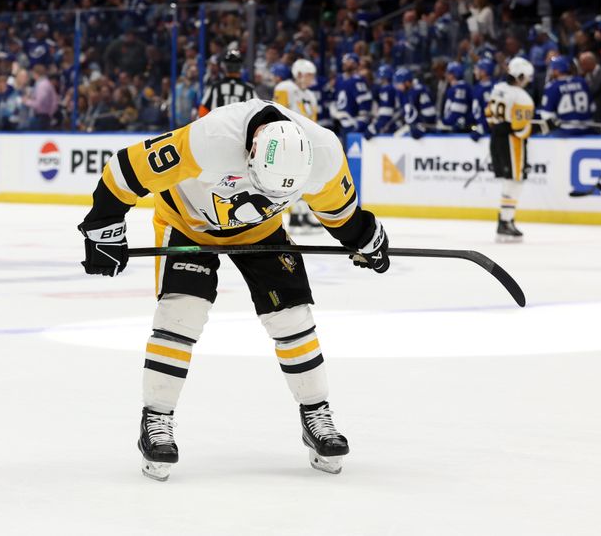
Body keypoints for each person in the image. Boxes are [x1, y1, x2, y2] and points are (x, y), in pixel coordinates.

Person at [77, 99, 390, 481]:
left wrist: (366, 238)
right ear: (251, 151)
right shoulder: (210, 138)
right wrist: (103, 225)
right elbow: (127, 168)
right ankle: (156, 419)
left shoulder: (324, 153)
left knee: (292, 317)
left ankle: (316, 415)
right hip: (187, 222)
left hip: (262, 231)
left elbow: (341, 216)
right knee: (181, 313)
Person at [485, 57, 546, 242]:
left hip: (496, 138)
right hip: (512, 144)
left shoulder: (497, 89)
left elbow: (488, 114)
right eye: (526, 77)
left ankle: (505, 220)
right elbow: (521, 130)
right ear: (519, 75)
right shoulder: (522, 97)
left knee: (511, 181)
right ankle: (505, 221)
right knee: (515, 181)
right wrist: (545, 126)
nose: (527, 80)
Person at [273, 59, 322, 234]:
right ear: (299, 74)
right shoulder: (285, 88)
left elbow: (313, 121)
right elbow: (277, 113)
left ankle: (303, 214)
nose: (311, 79)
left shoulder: (310, 95)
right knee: (289, 179)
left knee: (305, 179)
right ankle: (294, 216)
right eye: (308, 75)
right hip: (289, 141)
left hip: (306, 141)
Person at [540, 55, 593, 136]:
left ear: (557, 70)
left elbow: (546, 114)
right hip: (587, 128)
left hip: (566, 130)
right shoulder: (582, 82)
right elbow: (593, 107)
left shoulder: (552, 86)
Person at [198, 49, 256, 117]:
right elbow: (258, 111)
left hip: (218, 126)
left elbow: (202, 111)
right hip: (240, 127)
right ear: (240, 67)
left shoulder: (215, 88)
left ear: (224, 66)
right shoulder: (249, 89)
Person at [333, 53, 372, 140]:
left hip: (352, 122)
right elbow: (335, 99)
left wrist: (361, 122)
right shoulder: (339, 79)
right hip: (340, 123)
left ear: (355, 64)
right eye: (344, 62)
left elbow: (365, 104)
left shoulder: (358, 80)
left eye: (348, 61)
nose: (345, 63)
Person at [392, 67, 436, 139]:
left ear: (407, 82)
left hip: (426, 133)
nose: (397, 86)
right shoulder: (403, 92)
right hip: (412, 128)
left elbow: (430, 115)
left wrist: (422, 127)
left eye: (399, 83)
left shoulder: (420, 91)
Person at [364, 64, 397, 138]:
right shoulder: (390, 88)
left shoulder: (387, 89)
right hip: (392, 122)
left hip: (391, 124)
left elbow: (386, 114)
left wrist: (374, 128)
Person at [440, 61, 472, 133]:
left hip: (459, 129)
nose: (446, 75)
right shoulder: (455, 87)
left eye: (448, 73)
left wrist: (446, 123)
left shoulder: (461, 87)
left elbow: (458, 110)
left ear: (454, 74)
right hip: (453, 126)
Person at [470, 58, 495, 141]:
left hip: (490, 131)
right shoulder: (477, 87)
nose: (475, 72)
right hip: (478, 127)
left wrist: (482, 127)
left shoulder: (494, 89)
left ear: (484, 71)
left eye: (477, 69)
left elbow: (491, 112)